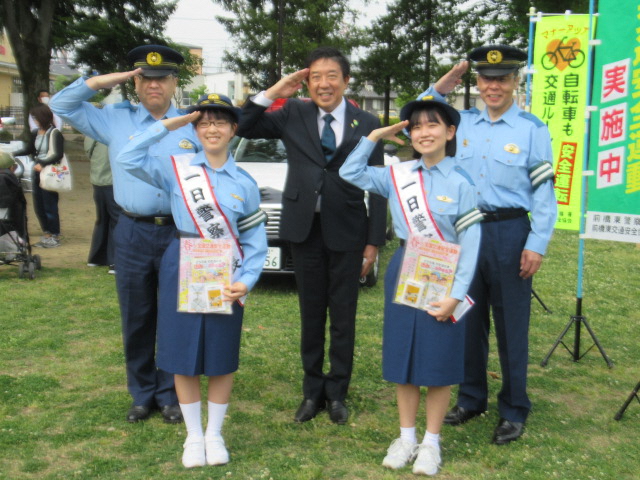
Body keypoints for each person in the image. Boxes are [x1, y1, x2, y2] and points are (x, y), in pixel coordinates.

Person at [236, 46, 387, 424]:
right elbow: (243, 125)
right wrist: (274, 92)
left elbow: (380, 185)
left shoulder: (367, 122)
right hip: (304, 229)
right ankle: (311, 391)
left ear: (346, 81)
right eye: (315, 76)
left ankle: (337, 392)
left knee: (343, 316)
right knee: (310, 313)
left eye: (331, 76)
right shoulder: (292, 112)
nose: (323, 84)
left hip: (348, 230)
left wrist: (374, 241)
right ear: (308, 81)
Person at [50, 44, 200, 424]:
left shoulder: (193, 124)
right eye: (144, 78)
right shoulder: (113, 119)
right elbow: (63, 105)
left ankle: (169, 394)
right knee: (135, 315)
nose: (153, 86)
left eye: (161, 78)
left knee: (172, 314)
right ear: (135, 83)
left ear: (173, 82)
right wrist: (104, 81)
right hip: (131, 229)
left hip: (178, 233)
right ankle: (141, 392)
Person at [116, 93, 267, 468]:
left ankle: (214, 434)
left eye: (220, 122)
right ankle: (193, 436)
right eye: (203, 121)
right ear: (195, 128)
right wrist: (168, 124)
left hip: (225, 272)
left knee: (220, 356)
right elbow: (127, 157)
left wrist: (247, 279)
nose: (211, 128)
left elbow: (253, 240)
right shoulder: (176, 168)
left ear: (234, 129)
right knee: (181, 355)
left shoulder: (245, 182)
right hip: (181, 263)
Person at [418, 45, 557, 445]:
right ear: (476, 82)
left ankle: (514, 408)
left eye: (502, 79)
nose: (493, 86)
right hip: (465, 232)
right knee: (464, 318)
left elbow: (544, 192)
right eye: (485, 79)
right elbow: (424, 112)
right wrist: (441, 86)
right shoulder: (460, 123)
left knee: (512, 325)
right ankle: (472, 397)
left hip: (510, 233)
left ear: (516, 82)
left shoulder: (532, 128)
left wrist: (537, 242)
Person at [340, 96, 482, 475]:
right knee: (403, 357)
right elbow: (349, 173)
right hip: (406, 265)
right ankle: (406, 437)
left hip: (446, 271)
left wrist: (456, 294)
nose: (424, 132)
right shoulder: (398, 174)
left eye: (433, 124)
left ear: (450, 132)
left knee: (438, 358)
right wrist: (373, 137)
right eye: (416, 126)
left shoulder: (462, 182)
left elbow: (470, 245)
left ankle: (431, 442)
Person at [12, 104, 63, 248]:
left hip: (49, 172)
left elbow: (58, 154)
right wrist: (12, 153)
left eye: (36, 118)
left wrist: (43, 162)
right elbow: (29, 149)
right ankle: (46, 233)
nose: (34, 120)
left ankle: (55, 234)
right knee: (38, 205)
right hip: (36, 171)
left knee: (49, 204)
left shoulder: (55, 133)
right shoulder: (35, 132)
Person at [85, 135, 121, 274]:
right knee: (117, 220)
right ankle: (115, 261)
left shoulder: (92, 130)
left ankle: (97, 257)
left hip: (97, 178)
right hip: (112, 180)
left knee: (102, 219)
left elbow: (88, 150)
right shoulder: (114, 130)